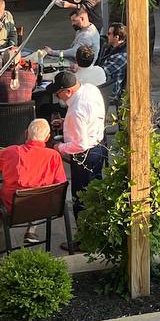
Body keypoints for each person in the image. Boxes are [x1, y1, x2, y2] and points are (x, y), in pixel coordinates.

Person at [0, 119, 67, 242]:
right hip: (43, 209)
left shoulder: (11, 152)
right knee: (38, 193)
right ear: (47, 138)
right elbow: (60, 185)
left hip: (10, 209)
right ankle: (31, 230)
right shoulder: (54, 156)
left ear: (26, 134)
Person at [52, 70, 107, 234]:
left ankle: (84, 238)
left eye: (58, 93)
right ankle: (98, 231)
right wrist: (65, 123)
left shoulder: (76, 111)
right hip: (99, 146)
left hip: (85, 155)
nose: (57, 96)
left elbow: (80, 144)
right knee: (96, 192)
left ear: (68, 91)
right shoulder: (91, 89)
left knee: (81, 197)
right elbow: (89, 117)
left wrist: (59, 148)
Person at [102, 23, 128, 106]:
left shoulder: (121, 55)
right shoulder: (112, 48)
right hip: (106, 83)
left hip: (111, 90)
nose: (107, 35)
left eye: (109, 34)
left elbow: (103, 71)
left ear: (116, 37)